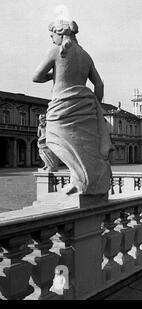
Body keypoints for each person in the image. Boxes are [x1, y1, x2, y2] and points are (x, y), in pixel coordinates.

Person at [33, 20, 114, 195]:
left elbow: (36, 77)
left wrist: (53, 74)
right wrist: (96, 106)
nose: (51, 38)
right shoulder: (86, 55)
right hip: (85, 105)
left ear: (60, 34)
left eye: (52, 35)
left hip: (62, 105)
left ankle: (81, 181)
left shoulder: (56, 50)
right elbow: (99, 85)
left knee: (56, 140)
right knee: (86, 146)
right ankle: (86, 181)